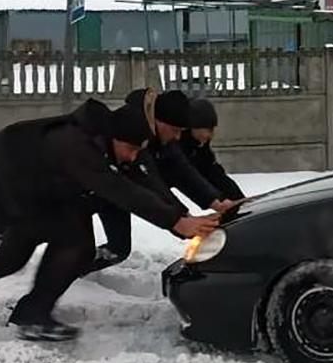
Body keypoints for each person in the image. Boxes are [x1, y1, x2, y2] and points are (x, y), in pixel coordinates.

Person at [0, 100, 221, 349]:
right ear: (115, 138)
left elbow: (142, 182)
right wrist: (177, 222)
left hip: (30, 197)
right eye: (132, 149)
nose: (133, 157)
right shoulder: (74, 145)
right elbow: (118, 189)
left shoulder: (110, 144)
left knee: (75, 245)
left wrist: (186, 217)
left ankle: (32, 315)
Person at [87, 89, 240, 276]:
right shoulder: (138, 136)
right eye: (176, 131)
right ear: (159, 121)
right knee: (69, 247)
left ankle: (74, 270)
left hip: (117, 192)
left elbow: (186, 174)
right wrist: (180, 220)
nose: (177, 137)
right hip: (87, 191)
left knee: (118, 249)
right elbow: (151, 184)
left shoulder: (166, 142)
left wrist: (216, 202)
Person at [179, 98, 245, 201]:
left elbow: (213, 172)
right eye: (209, 129)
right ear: (193, 126)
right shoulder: (176, 146)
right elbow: (189, 179)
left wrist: (238, 200)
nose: (212, 135)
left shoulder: (199, 145)